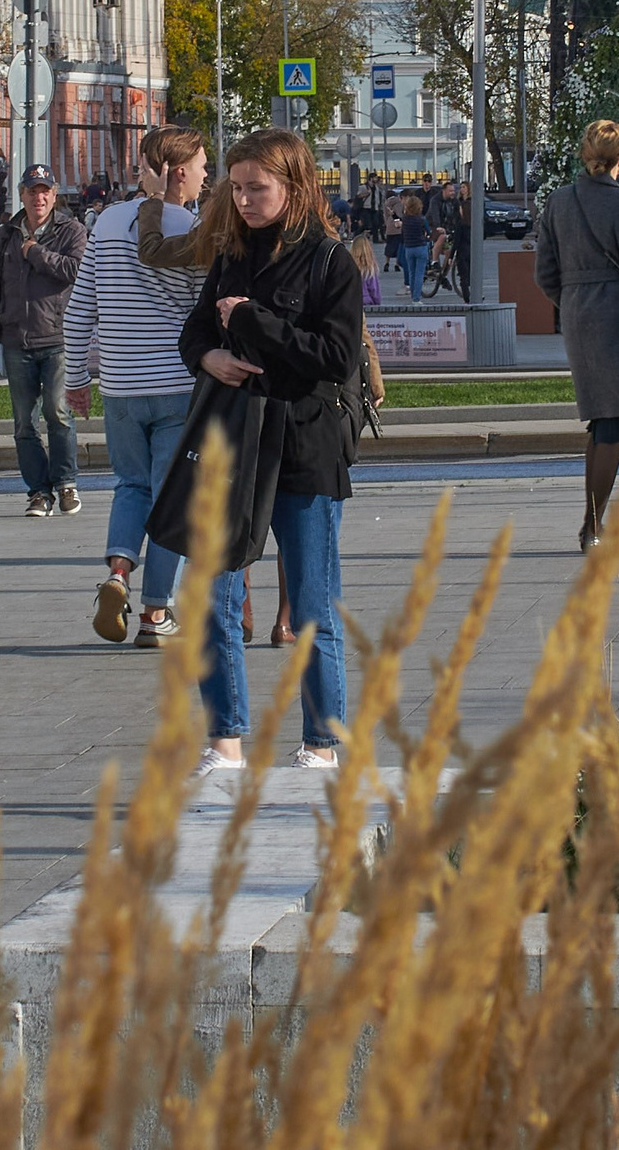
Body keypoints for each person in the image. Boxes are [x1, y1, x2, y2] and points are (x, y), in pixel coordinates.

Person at [177, 130, 363, 776]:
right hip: (236, 444)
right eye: (237, 186)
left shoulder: (330, 261)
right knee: (213, 593)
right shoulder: (230, 253)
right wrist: (210, 354)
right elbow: (195, 329)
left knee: (312, 601)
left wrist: (254, 321)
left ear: (296, 185)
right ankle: (225, 739)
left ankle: (322, 742)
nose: (246, 199)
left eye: (259, 187)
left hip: (306, 442)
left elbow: (335, 358)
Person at [65, 126, 206, 647]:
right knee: (173, 497)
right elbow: (200, 310)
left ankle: (119, 574)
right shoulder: (188, 227)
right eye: (201, 166)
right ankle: (154, 613)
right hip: (176, 382)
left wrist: (77, 379)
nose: (206, 175)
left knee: (130, 485)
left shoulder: (104, 223)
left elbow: (81, 309)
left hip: (120, 384)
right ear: (178, 170)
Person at [534, 120, 619, 552]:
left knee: (604, 419)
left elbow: (544, 273)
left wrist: (574, 298)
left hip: (577, 314)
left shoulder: (559, 201)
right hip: (617, 317)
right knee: (613, 423)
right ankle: (592, 526)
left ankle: (593, 523)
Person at [0, 164, 88, 518]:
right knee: (23, 422)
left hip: (56, 337)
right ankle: (39, 491)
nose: (39, 197)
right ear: (22, 194)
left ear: (54, 196)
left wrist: (35, 252)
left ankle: (66, 484)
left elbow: (76, 271)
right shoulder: (7, 234)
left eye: (45, 191)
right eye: (33, 191)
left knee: (57, 412)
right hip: (16, 338)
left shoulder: (72, 230)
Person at [393, 197, 432, 300]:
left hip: (409, 248)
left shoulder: (405, 219)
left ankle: (412, 295)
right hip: (420, 247)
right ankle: (416, 298)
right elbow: (429, 232)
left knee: (411, 272)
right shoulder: (422, 219)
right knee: (419, 274)